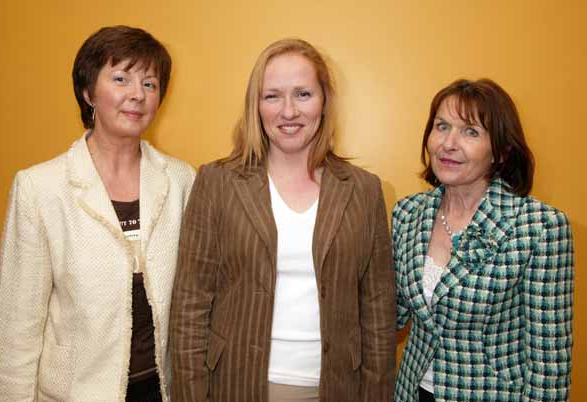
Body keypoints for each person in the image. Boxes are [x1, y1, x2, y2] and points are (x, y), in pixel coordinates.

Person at [170, 38, 396, 402]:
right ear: (255, 105)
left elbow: (378, 312)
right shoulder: (217, 182)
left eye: (303, 94)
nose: (288, 111)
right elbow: (191, 305)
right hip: (235, 386)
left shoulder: (363, 190)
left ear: (324, 101)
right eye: (272, 96)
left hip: (337, 389)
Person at [0, 25, 196, 402]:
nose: (137, 95)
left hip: (163, 391)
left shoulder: (182, 180)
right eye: (121, 79)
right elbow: (16, 331)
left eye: (149, 84)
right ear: (88, 93)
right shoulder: (41, 188)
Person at [392, 78, 574, 402]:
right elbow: (391, 314)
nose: (449, 143)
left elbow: (550, 363)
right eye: (442, 126)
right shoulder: (407, 213)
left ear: (501, 152)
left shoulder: (539, 227)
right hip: (411, 391)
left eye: (470, 132)